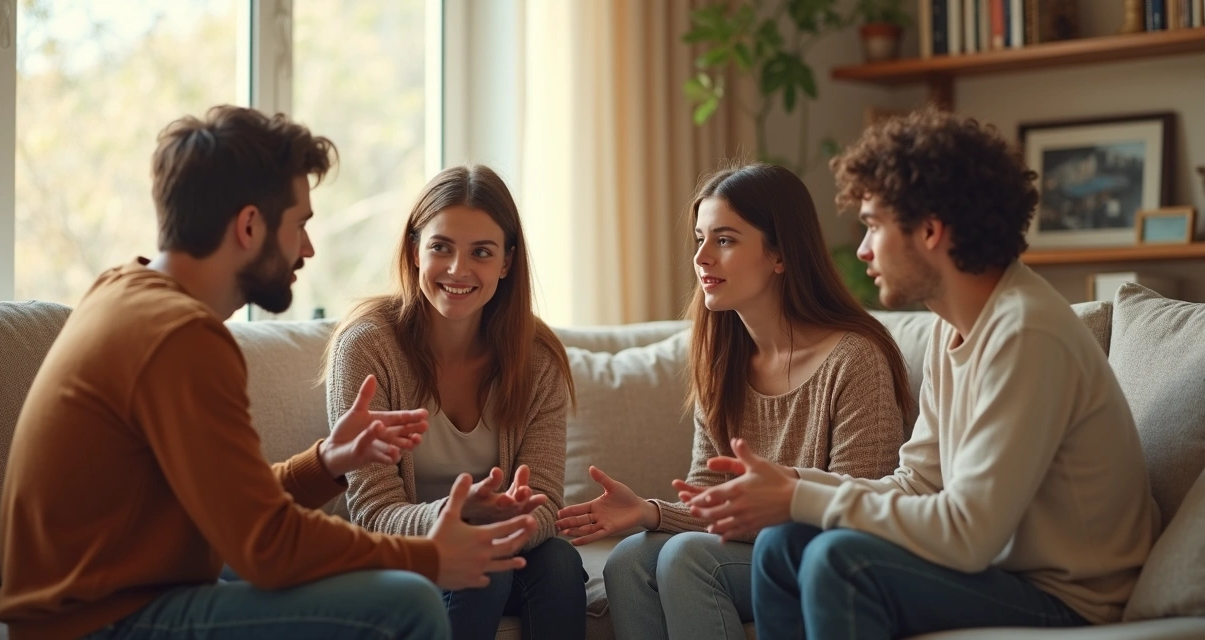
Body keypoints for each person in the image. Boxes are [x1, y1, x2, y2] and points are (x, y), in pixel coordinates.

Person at [0, 106, 536, 640]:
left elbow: (239, 510)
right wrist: (427, 558)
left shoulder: (127, 290)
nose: (308, 247)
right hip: (97, 620)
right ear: (250, 226)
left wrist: (327, 461)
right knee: (408, 602)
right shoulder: (179, 336)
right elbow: (268, 546)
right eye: (300, 225)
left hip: (116, 594)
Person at [686, 108, 1161, 639]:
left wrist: (799, 498)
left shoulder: (1026, 334)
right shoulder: (950, 325)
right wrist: (792, 482)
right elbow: (918, 483)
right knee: (781, 547)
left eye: (873, 226)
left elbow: (968, 534)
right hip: (998, 573)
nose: (862, 249)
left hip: (1069, 597)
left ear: (930, 230)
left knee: (842, 562)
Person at [555, 163, 911, 640]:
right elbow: (708, 496)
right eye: (699, 239)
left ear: (780, 254)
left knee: (687, 558)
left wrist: (667, 514)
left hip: (816, 555)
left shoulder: (854, 360)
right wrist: (648, 511)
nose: (701, 257)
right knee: (629, 560)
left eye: (724, 240)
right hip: (753, 548)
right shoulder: (723, 362)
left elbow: (852, 512)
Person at [326, 164, 587, 640]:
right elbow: (372, 512)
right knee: (480, 566)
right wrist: (459, 518)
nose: (457, 270)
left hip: (497, 550)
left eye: (481, 252)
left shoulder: (537, 358)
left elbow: (545, 501)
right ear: (415, 251)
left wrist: (500, 525)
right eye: (441, 247)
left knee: (560, 563)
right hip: (400, 557)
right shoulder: (367, 347)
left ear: (506, 262)